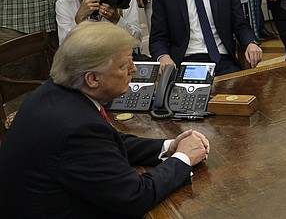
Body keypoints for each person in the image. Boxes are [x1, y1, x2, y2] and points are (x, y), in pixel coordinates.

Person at [0, 22, 210, 218]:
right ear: (92, 79)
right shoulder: (77, 128)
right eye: (123, 65)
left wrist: (168, 147)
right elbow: (135, 197)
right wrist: (183, 158)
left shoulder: (55, 93)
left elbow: (107, 142)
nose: (134, 70)